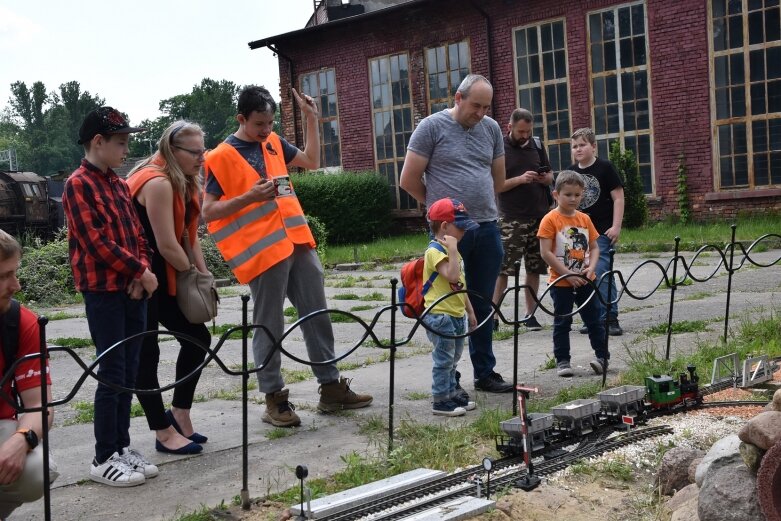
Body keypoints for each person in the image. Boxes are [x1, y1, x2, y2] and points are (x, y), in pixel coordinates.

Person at [201, 86, 372, 428]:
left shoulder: (274, 142)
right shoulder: (218, 157)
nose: (266, 129)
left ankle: (331, 388)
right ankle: (274, 398)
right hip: (263, 251)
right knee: (270, 324)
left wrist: (311, 118)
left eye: (270, 122)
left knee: (318, 314)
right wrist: (249, 197)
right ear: (241, 119)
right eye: (259, 124)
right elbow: (208, 211)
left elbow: (311, 160)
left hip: (297, 241)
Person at [62, 106, 159, 487]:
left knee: (131, 370)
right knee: (112, 372)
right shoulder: (77, 184)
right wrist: (140, 271)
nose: (125, 150)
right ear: (97, 142)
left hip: (133, 290)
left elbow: (138, 234)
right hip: (102, 292)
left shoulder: (119, 185)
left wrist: (143, 270)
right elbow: (94, 241)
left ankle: (121, 447)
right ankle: (104, 456)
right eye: (120, 143)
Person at [400, 74, 511, 394]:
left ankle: (485, 372)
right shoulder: (431, 127)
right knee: (447, 303)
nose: (481, 113)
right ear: (458, 98)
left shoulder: (490, 129)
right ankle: (448, 376)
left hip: (487, 226)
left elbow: (498, 180)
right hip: (449, 233)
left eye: (486, 107)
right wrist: (439, 213)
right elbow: (408, 180)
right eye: (475, 105)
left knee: (482, 302)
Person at [126, 121, 211, 456]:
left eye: (203, 150)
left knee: (197, 338)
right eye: (194, 152)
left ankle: (179, 414)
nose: (202, 158)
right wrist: (193, 276)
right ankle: (162, 432)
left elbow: (190, 237)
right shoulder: (158, 182)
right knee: (147, 353)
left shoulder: (186, 181)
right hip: (143, 277)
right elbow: (166, 245)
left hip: (167, 275)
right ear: (172, 151)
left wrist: (205, 279)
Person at [0, 230, 58, 519]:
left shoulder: (20, 322)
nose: (16, 285)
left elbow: (40, 406)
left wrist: (22, 439)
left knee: (35, 470)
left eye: (15, 273)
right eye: (3, 277)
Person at [537, 171, 609, 378]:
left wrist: (591, 268)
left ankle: (602, 357)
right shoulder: (550, 220)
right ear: (556, 195)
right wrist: (567, 275)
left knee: (594, 319)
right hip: (561, 282)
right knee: (562, 322)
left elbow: (594, 248)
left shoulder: (585, 219)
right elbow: (545, 252)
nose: (573, 199)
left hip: (587, 279)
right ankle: (562, 360)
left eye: (577, 195)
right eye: (568, 194)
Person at [491, 108, 554, 332]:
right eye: (520, 132)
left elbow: (551, 176)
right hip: (511, 218)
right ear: (509, 127)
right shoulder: (499, 148)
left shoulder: (537, 145)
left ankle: (530, 315)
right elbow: (496, 186)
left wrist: (547, 178)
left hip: (539, 216)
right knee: (503, 270)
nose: (525, 136)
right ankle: (494, 317)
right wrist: (520, 179)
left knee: (535, 268)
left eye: (528, 131)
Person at [422, 198, 478, 417]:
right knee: (443, 359)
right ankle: (440, 399)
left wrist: (470, 310)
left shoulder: (454, 253)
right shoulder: (435, 251)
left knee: (453, 359)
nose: (464, 232)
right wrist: (453, 250)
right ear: (444, 226)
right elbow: (452, 275)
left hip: (455, 313)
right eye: (460, 227)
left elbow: (459, 284)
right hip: (440, 315)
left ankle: (451, 392)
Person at [568, 128, 625, 336]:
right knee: (581, 274)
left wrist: (616, 226)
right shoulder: (572, 172)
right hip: (576, 235)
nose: (578, 149)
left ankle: (610, 317)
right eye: (575, 146)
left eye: (582, 145)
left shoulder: (605, 168)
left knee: (601, 272)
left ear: (593, 146)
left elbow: (618, 197)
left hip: (601, 231)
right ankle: (591, 316)